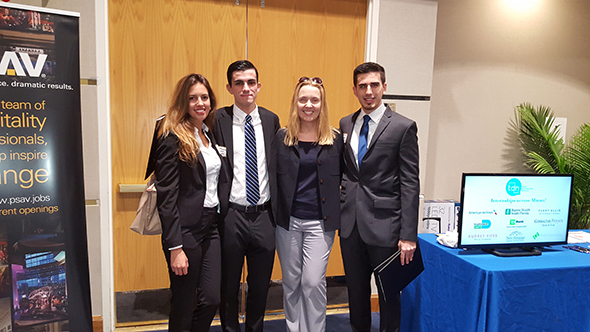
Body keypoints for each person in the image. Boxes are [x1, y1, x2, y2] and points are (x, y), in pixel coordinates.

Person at [339, 62, 420, 332]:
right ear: (354, 90)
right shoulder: (346, 123)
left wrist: (408, 235)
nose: (369, 91)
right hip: (350, 226)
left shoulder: (403, 127)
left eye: (374, 85)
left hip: (387, 227)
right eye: (362, 86)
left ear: (384, 87)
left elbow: (410, 182)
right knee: (356, 295)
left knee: (388, 296)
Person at [155, 73, 227, 332]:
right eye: (192, 98)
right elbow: (167, 197)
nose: (200, 103)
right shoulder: (171, 137)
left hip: (211, 227)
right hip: (184, 232)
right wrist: (175, 247)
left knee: (211, 299)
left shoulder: (210, 133)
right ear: (182, 102)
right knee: (184, 303)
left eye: (204, 97)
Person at [214, 60, 280, 332]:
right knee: (227, 285)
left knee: (260, 285)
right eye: (238, 83)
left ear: (259, 86)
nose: (245, 88)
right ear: (229, 87)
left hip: (265, 216)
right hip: (231, 216)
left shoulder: (271, 120)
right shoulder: (217, 119)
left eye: (250, 82)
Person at [274, 76, 343, 332]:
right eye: (303, 99)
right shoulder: (282, 137)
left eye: (315, 99)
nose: (309, 105)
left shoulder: (335, 139)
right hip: (288, 222)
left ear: (322, 103)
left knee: (312, 281)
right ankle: (295, 328)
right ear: (296, 102)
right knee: (292, 281)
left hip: (319, 222)